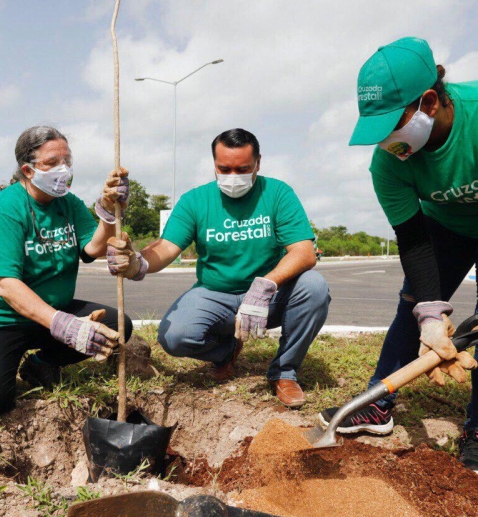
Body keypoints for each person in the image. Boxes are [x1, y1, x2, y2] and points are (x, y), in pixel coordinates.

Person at [318, 37, 478, 479]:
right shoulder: (389, 164)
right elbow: (413, 240)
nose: (387, 144)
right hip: (446, 226)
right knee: (412, 307)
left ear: (429, 102)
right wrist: (430, 313)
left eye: (391, 128)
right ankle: (376, 407)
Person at [107, 128, 330, 408]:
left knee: (314, 286)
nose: (233, 177)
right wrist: (137, 261)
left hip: (270, 297)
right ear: (214, 164)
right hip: (216, 293)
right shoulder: (195, 201)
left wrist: (265, 285)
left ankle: (284, 371)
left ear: (258, 163)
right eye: (224, 168)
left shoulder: (277, 194)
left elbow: (303, 252)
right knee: (174, 336)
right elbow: (166, 247)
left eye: (243, 168)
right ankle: (226, 352)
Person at [0, 125, 132, 419]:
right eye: (52, 163)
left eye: (67, 161)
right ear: (29, 169)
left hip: (47, 312)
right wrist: (64, 325)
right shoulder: (4, 211)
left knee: (117, 324)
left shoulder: (67, 203)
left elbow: (93, 248)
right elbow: (6, 285)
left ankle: (41, 364)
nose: (63, 170)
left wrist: (109, 212)